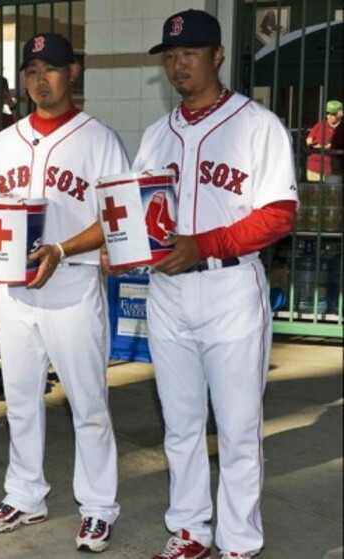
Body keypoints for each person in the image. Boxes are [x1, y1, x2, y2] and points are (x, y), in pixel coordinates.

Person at [133, 10, 298, 559]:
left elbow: (278, 215)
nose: (178, 64)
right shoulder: (156, 134)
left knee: (237, 429)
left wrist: (204, 243)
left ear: (218, 55)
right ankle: (189, 531)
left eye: (190, 53)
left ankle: (239, 542)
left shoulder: (258, 125)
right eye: (171, 55)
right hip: (168, 292)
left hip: (229, 289)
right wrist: (122, 248)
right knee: (179, 425)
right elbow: (138, 212)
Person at [0, 33, 129, 553]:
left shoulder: (98, 138)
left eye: (52, 69)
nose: (41, 80)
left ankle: (98, 507)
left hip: (73, 283)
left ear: (74, 72)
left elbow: (117, 216)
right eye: (32, 70)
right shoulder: (6, 141)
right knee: (19, 400)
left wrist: (62, 248)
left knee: (88, 403)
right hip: (16, 291)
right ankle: (25, 495)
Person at [306, 99, 343, 181]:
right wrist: (311, 144)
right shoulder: (320, 125)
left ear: (340, 114)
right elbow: (309, 139)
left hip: (332, 170)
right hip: (313, 168)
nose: (329, 116)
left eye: (333, 114)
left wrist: (325, 146)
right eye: (327, 113)